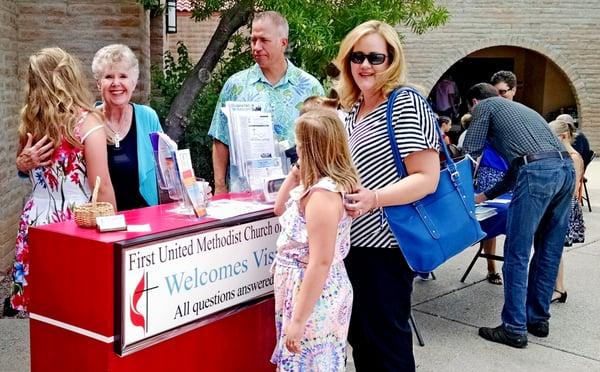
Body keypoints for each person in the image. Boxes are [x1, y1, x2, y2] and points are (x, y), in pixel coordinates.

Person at [335, 21, 440, 370]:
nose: (365, 65)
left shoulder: (404, 103)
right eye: (357, 56)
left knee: (386, 346)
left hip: (388, 247)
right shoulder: (353, 109)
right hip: (355, 244)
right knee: (363, 340)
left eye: (376, 57)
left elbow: (427, 177)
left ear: (391, 60)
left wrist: (374, 198)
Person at [6, 47, 116, 315]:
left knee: (45, 308)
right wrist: (114, 226)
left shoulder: (30, 122)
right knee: (77, 306)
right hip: (76, 220)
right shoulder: (89, 122)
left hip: (37, 219)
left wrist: (20, 164)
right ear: (70, 77)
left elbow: (26, 168)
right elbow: (102, 185)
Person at [463, 83, 574, 348]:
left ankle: (513, 328)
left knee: (517, 253)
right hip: (565, 170)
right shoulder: (522, 110)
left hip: (537, 172)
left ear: (475, 103)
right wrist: (485, 196)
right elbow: (518, 167)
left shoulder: (485, 107)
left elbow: (469, 150)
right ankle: (537, 319)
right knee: (548, 250)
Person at [270, 109, 359, 370]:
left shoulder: (322, 196)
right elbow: (279, 207)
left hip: (312, 295)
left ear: (309, 148)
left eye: (299, 143)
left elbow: (320, 261)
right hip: (306, 292)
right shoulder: (320, 185)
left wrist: (297, 321)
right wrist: (298, 170)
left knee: (308, 364)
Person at [208, 11, 324, 194]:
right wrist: (220, 187)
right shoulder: (236, 85)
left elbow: (324, 142)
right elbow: (220, 138)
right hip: (244, 197)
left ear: (283, 43)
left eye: (264, 40)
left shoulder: (310, 88)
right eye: (253, 40)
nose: (256, 47)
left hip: (298, 195)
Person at [91, 44, 162, 211]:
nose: (116, 83)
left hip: (146, 219)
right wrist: (24, 166)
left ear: (134, 82)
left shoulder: (148, 117)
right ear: (98, 84)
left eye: (123, 76)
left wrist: (192, 189)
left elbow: (167, 168)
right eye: (108, 77)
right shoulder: (87, 121)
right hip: (100, 221)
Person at [548, 119, 586, 304]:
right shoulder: (559, 154)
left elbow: (574, 186)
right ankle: (555, 286)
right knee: (551, 247)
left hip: (564, 205)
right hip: (557, 203)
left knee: (555, 248)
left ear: (563, 136)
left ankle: (559, 288)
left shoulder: (573, 156)